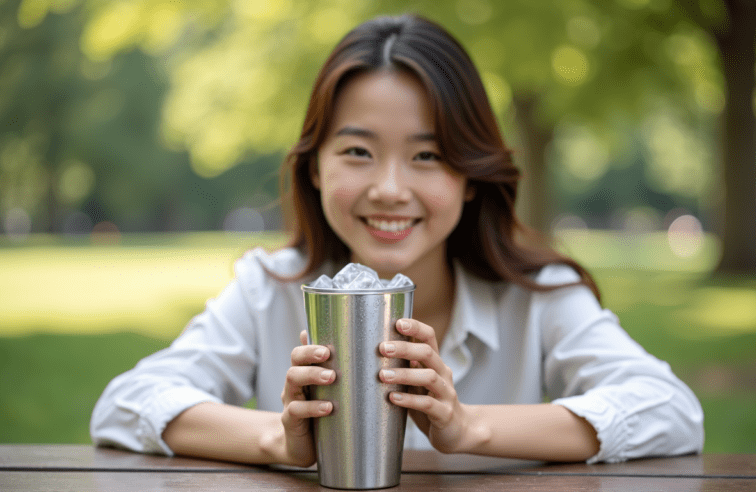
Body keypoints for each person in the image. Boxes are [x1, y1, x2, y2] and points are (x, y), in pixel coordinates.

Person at [90, 14, 704, 466]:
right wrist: (279, 438)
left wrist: (468, 427)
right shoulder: (269, 287)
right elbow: (128, 402)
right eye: (358, 152)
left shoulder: (537, 294)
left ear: (470, 178)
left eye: (427, 156)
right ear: (314, 167)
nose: (389, 189)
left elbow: (670, 409)